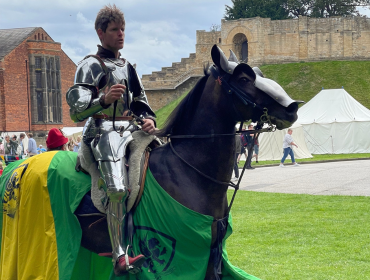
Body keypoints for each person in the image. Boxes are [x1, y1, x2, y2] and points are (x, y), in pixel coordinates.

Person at [66, 4, 155, 275]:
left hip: (131, 130)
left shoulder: (127, 66)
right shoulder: (90, 64)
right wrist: (103, 99)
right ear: (100, 32)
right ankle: (119, 255)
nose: (121, 35)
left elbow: (140, 101)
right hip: (102, 132)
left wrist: (148, 118)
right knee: (116, 189)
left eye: (123, 29)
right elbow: (75, 110)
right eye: (115, 30)